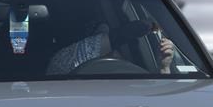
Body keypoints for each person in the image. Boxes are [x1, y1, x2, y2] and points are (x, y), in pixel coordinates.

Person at [46, 20, 174, 75]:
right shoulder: (63, 60)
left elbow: (162, 97)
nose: (103, 37)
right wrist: (145, 26)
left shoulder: (131, 62)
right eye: (99, 33)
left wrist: (164, 67)